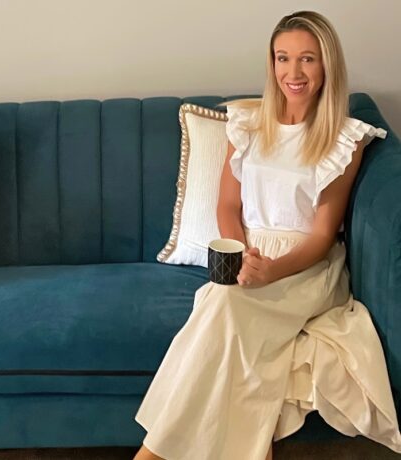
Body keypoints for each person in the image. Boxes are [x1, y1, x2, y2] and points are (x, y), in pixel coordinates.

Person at [133, 10, 401, 460]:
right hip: (246, 254)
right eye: (283, 58)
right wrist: (240, 257)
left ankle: (152, 454)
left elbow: (322, 235)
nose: (293, 72)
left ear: (327, 65)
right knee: (224, 306)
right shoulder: (248, 124)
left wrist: (271, 272)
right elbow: (227, 206)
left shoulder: (345, 138)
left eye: (307, 59)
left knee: (224, 307)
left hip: (305, 267)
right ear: (272, 63)